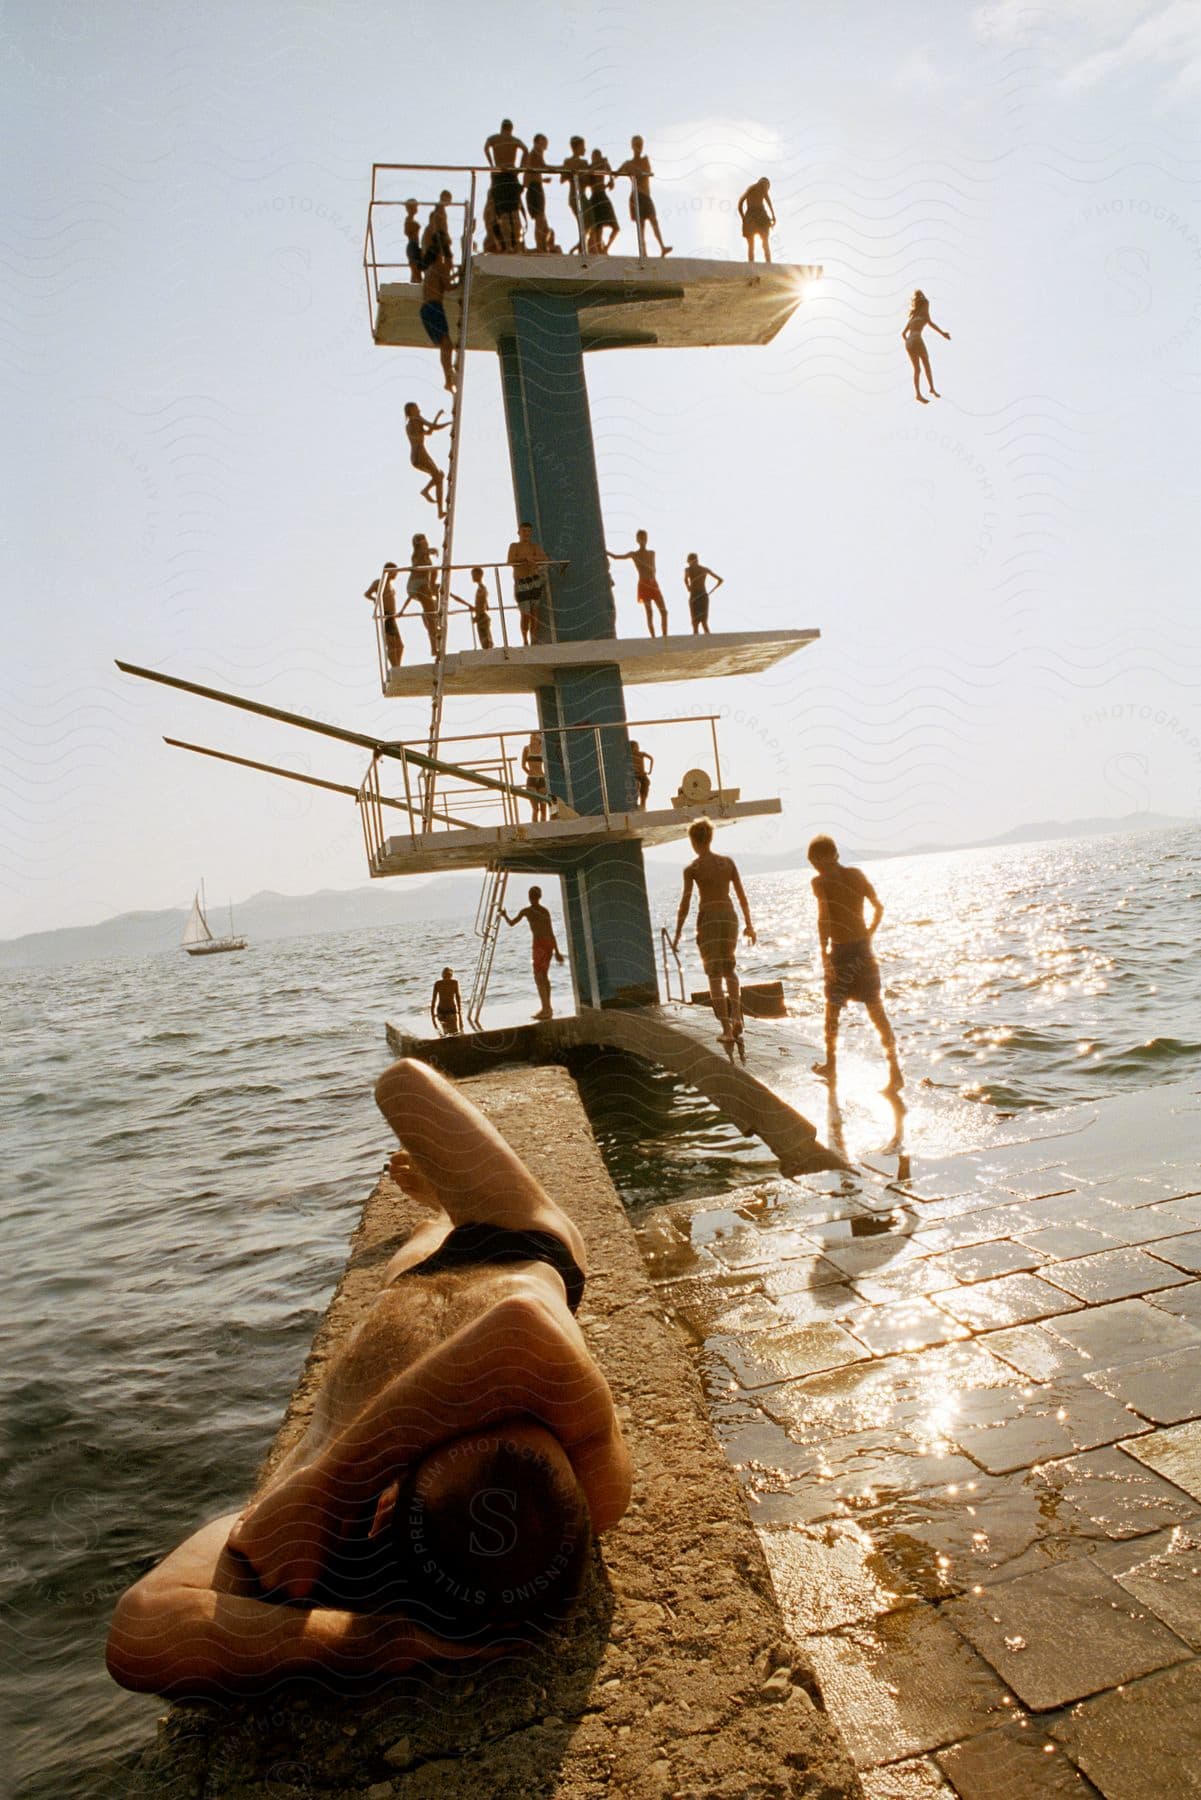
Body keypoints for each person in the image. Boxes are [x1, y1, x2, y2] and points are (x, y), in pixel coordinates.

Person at [105, 1058, 631, 1697]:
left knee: (416, 1247)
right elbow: (521, 1329)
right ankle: (444, 1207)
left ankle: (437, 1216)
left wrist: (384, 1641)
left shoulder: (332, 1554)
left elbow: (141, 1636)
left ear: (386, 1511)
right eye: (517, 1417)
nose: (496, 1408)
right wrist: (332, 1485)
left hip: (408, 1289)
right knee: (402, 1083)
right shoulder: (594, 1493)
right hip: (521, 1243)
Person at [807, 834, 903, 1096]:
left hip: (841, 952)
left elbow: (824, 916)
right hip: (864, 950)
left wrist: (824, 953)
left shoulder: (820, 881)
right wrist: (868, 933)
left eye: (814, 861)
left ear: (824, 857)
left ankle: (831, 1065)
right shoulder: (857, 875)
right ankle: (895, 1072)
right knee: (876, 1011)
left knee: (832, 1011)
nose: (814, 866)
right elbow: (878, 908)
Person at [672, 818, 756, 1044]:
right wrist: (749, 925)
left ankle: (727, 1030)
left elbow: (686, 903)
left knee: (714, 976)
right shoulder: (727, 863)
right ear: (710, 837)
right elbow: (741, 895)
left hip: (709, 917)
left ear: (693, 841)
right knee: (729, 968)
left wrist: (678, 933)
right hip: (729, 916)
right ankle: (737, 1014)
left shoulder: (693, 868)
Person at [503, 885, 565, 1020]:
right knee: (544, 976)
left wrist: (504, 915)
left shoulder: (527, 911)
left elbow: (511, 923)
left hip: (539, 945)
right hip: (548, 943)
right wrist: (557, 952)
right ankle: (548, 1007)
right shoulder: (545, 911)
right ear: (540, 896)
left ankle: (546, 1009)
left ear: (529, 897)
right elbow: (551, 932)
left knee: (538, 976)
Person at [616, 136, 671, 257]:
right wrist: (611, 180)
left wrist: (635, 171)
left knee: (653, 220)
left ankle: (662, 247)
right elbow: (616, 173)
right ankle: (644, 252)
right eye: (637, 144)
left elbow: (645, 173)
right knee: (641, 226)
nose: (639, 147)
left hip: (645, 195)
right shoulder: (628, 163)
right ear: (632, 146)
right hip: (636, 196)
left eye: (640, 144)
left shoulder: (644, 160)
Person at [508, 521, 559, 645]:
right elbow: (510, 560)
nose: (526, 534)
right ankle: (525, 639)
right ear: (519, 532)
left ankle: (533, 639)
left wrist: (533, 558)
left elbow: (545, 558)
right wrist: (525, 559)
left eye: (528, 531)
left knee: (534, 612)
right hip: (522, 582)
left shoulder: (534, 547)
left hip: (534, 581)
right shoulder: (514, 546)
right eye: (524, 531)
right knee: (525, 613)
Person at [608, 530, 668, 636]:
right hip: (644, 584)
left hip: (653, 583)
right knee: (649, 613)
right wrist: (605, 552)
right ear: (637, 540)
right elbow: (616, 557)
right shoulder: (634, 554)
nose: (643, 540)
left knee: (664, 611)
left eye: (645, 538)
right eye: (641, 538)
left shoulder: (651, 553)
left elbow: (654, 569)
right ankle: (653, 637)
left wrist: (646, 566)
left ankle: (664, 636)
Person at [484, 119, 528, 253]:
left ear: (501, 128)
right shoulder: (514, 140)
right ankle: (517, 244)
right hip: (511, 172)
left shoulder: (495, 138)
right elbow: (526, 150)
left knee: (503, 213)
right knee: (514, 213)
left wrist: (492, 164)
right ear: (511, 129)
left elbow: (486, 146)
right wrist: (520, 168)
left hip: (499, 173)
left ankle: (509, 245)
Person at [902, 290, 950, 404]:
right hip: (917, 339)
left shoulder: (911, 319)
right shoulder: (924, 315)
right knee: (926, 365)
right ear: (924, 306)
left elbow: (903, 334)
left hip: (908, 343)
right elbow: (933, 325)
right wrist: (943, 333)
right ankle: (932, 388)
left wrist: (909, 341)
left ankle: (918, 394)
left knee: (917, 370)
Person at [420, 251, 457, 393]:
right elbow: (448, 287)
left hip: (426, 309)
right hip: (434, 307)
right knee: (447, 345)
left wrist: (456, 276)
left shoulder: (430, 271)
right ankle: (448, 379)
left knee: (445, 345)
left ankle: (448, 379)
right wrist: (462, 277)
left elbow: (441, 282)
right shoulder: (439, 267)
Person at [404, 403, 448, 517]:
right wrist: (450, 423)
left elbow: (429, 431)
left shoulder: (414, 421)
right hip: (419, 455)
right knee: (438, 477)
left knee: (439, 476)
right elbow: (434, 428)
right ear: (411, 411)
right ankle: (427, 493)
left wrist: (437, 419)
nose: (419, 410)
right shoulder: (415, 420)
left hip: (419, 455)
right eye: (416, 408)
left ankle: (437, 508)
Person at [401, 535, 439, 656]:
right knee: (431, 612)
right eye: (423, 540)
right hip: (417, 585)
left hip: (423, 585)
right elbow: (420, 555)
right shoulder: (417, 554)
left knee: (432, 611)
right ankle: (434, 646)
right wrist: (430, 550)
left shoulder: (426, 555)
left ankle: (434, 635)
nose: (426, 542)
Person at [364, 560, 404, 668]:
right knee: (391, 643)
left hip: (392, 616)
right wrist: (374, 600)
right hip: (386, 615)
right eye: (394, 572)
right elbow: (367, 594)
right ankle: (395, 666)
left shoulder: (390, 585)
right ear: (389, 571)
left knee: (399, 645)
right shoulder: (379, 583)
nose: (396, 574)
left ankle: (397, 666)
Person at [584, 149, 619, 254]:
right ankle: (600, 250)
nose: (596, 157)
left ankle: (606, 248)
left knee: (615, 227)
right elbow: (587, 182)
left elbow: (610, 173)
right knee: (598, 228)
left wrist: (610, 181)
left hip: (602, 195)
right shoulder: (591, 167)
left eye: (597, 155)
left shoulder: (603, 162)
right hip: (595, 196)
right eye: (594, 155)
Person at [522, 133, 551, 253]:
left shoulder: (535, 154)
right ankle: (540, 247)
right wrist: (561, 168)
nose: (545, 145)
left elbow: (532, 173)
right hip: (534, 189)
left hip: (535, 187)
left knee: (543, 223)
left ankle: (543, 247)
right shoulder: (534, 153)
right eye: (543, 142)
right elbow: (542, 167)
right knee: (540, 219)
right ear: (538, 142)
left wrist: (543, 180)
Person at [738, 177, 775, 264]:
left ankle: (768, 263)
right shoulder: (752, 188)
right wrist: (743, 217)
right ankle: (752, 263)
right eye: (763, 185)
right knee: (752, 244)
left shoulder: (762, 190)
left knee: (764, 242)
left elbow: (769, 202)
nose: (764, 189)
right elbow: (740, 203)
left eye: (766, 187)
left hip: (760, 216)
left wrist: (773, 216)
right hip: (751, 216)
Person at [683, 552, 722, 635]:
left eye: (690, 561)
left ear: (691, 560)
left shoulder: (689, 569)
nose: (690, 563)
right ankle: (701, 643)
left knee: (700, 623)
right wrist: (688, 587)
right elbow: (720, 580)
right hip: (700, 595)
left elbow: (720, 580)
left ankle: (705, 643)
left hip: (697, 595)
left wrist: (688, 587)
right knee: (697, 623)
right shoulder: (702, 569)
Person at [560, 137, 589, 248]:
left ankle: (582, 245)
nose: (585, 149)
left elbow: (588, 181)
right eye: (583, 146)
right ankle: (582, 246)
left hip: (583, 195)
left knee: (588, 222)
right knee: (582, 222)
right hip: (574, 195)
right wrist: (573, 173)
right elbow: (562, 179)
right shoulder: (568, 161)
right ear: (577, 147)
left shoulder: (584, 162)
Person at [521, 731, 549, 822]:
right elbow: (523, 765)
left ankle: (544, 829)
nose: (532, 739)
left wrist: (544, 775)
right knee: (535, 809)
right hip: (531, 779)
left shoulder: (543, 749)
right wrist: (530, 772)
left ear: (539, 739)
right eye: (531, 737)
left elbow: (547, 764)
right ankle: (536, 828)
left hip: (541, 778)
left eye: (535, 738)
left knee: (543, 808)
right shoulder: (526, 749)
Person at [422, 189, 455, 264]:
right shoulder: (439, 209)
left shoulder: (440, 209)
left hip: (439, 235)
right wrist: (446, 237)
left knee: (444, 255)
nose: (449, 202)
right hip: (439, 236)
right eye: (448, 199)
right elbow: (440, 226)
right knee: (447, 256)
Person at [430, 966, 462, 1035]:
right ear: (442, 976)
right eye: (445, 975)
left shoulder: (454, 982)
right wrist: (432, 1013)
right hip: (442, 1011)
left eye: (448, 975)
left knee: (455, 1032)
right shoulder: (438, 983)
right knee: (446, 1032)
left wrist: (459, 1009)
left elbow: (457, 996)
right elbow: (434, 998)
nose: (446, 977)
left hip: (451, 1010)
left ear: (451, 975)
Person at [470, 566, 493, 650]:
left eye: (473, 575)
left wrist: (477, 617)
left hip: (481, 618)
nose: (472, 577)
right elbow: (485, 604)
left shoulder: (481, 589)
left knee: (485, 642)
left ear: (479, 575)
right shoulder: (483, 588)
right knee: (486, 641)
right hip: (482, 617)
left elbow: (481, 604)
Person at [629, 740, 653, 808]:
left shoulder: (641, 754)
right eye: (635, 747)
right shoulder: (630, 755)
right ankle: (635, 803)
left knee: (646, 784)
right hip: (635, 776)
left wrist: (650, 770)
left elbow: (651, 758)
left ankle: (643, 804)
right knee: (636, 786)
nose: (636, 748)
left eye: (637, 747)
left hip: (642, 775)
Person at [404, 199, 422, 283]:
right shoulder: (408, 219)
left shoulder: (410, 219)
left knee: (417, 270)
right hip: (412, 245)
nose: (416, 208)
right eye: (415, 206)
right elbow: (407, 231)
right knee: (416, 270)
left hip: (415, 245)